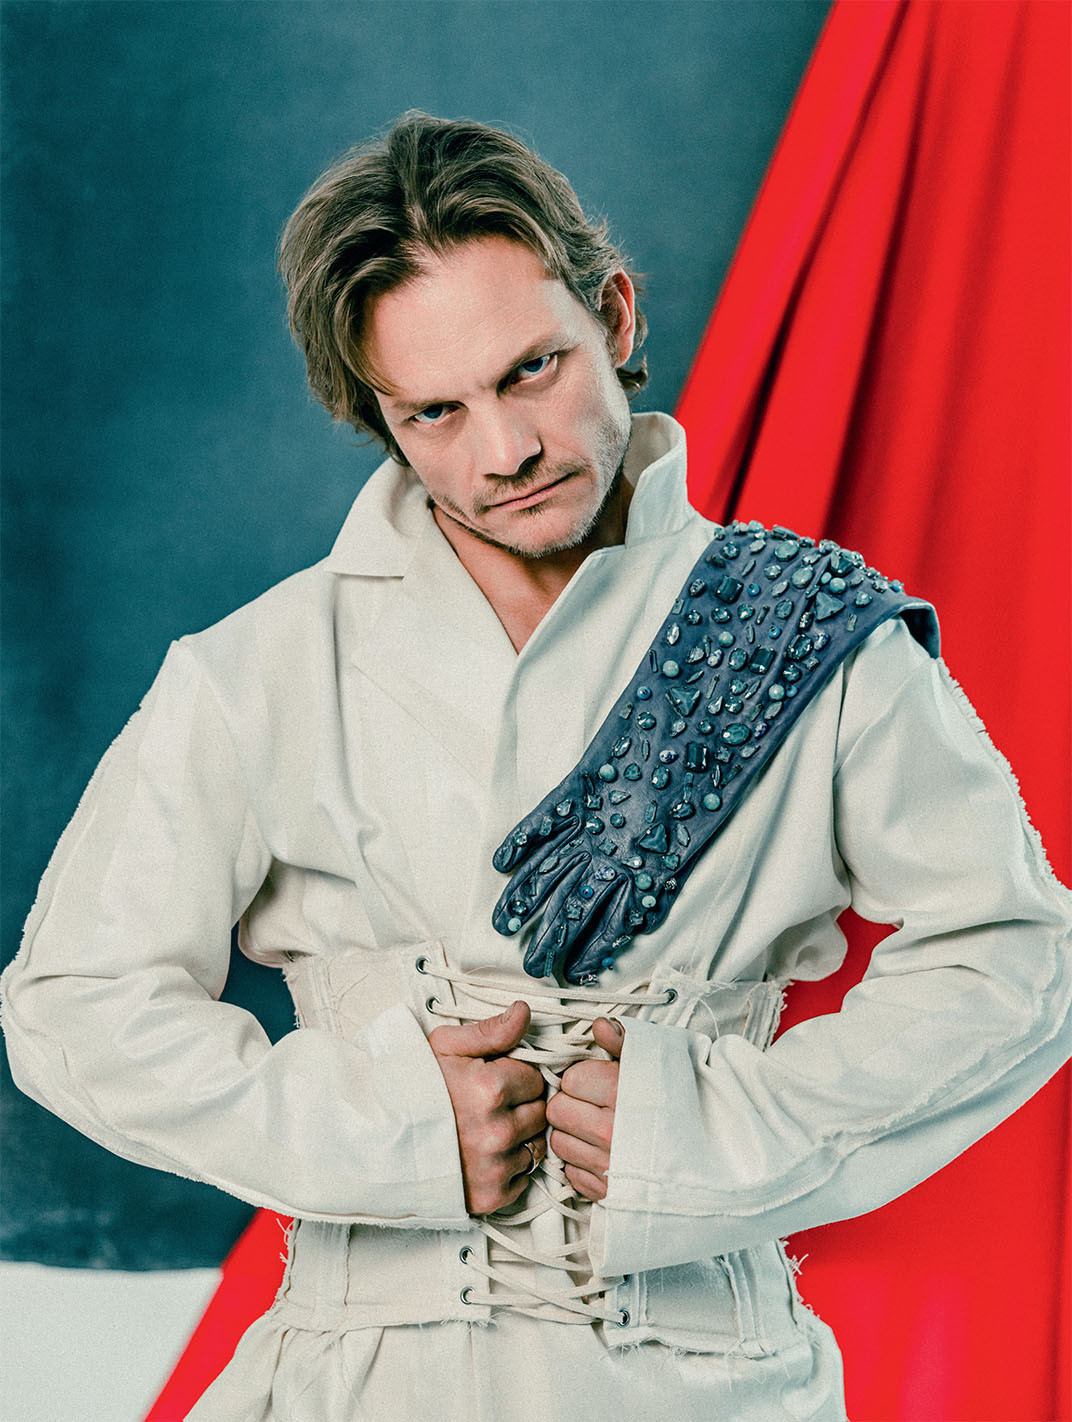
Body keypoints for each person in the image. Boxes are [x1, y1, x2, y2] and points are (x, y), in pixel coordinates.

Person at [3, 112, 1070, 1422]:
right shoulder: (258, 669)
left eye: (532, 370)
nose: (502, 451)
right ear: (383, 420)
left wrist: (722, 1135)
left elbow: (1014, 956)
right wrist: (388, 1127)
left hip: (711, 1383)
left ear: (612, 315)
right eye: (435, 412)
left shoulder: (810, 637)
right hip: (356, 1382)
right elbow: (74, 1002)